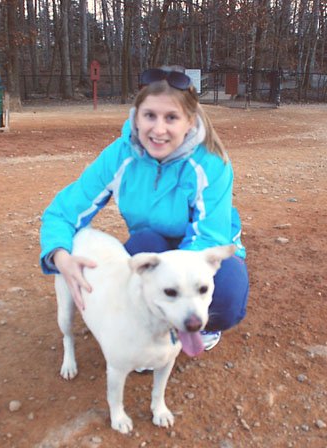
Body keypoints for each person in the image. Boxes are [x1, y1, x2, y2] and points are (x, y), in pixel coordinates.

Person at [40, 67, 248, 351]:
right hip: (153, 240)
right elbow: (63, 212)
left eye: (171, 118)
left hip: (204, 245)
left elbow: (210, 235)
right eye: (150, 115)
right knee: (142, 246)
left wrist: (174, 280)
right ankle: (150, 327)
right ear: (136, 118)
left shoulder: (211, 163)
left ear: (189, 122)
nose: (158, 129)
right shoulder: (119, 156)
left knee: (227, 297)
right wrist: (60, 255)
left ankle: (199, 328)